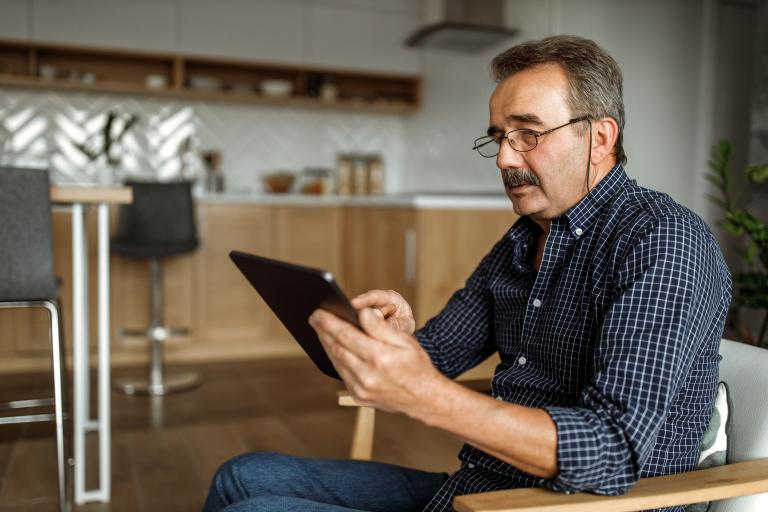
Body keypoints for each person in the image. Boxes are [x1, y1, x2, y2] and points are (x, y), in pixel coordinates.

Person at [203, 35, 731, 512]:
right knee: (241, 478)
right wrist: (393, 341)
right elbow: (435, 358)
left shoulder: (663, 240)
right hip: (483, 489)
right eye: (499, 136)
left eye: (527, 134)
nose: (504, 157)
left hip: (572, 506)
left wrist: (424, 396)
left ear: (600, 137)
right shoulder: (524, 238)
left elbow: (610, 453)